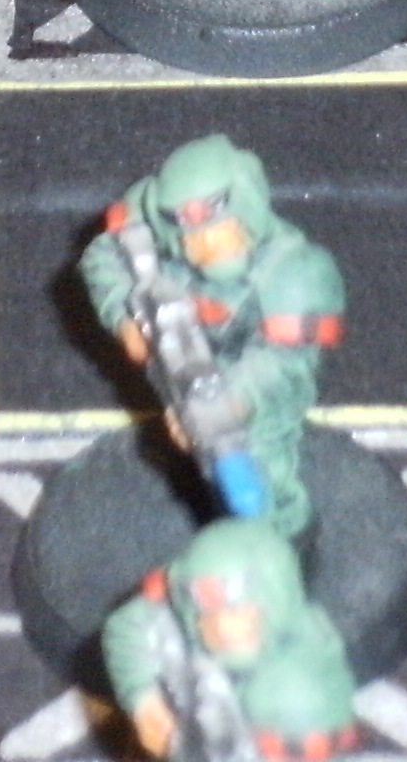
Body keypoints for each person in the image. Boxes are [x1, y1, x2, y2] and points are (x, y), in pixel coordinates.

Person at [79, 135, 345, 534]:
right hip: (177, 361)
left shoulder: (295, 272)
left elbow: (284, 365)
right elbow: (103, 257)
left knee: (263, 477)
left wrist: (222, 407)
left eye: (218, 222)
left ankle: (283, 543)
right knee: (205, 473)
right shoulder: (154, 222)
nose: (207, 241)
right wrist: (123, 315)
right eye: (191, 228)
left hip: (251, 393)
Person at [102, 520, 360, 762]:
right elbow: (128, 625)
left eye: (237, 611)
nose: (224, 628)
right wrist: (143, 698)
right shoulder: (180, 606)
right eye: (210, 614)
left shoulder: (300, 676)